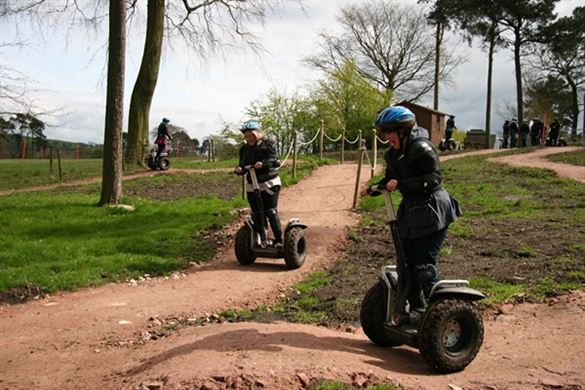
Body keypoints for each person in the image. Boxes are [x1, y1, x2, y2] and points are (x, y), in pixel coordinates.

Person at [360, 106, 462, 313]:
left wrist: (402, 185)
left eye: (388, 131)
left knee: (423, 267)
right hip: (411, 212)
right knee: (405, 266)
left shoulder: (422, 148)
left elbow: (433, 180)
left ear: (403, 130)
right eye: (384, 132)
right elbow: (390, 179)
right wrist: (373, 189)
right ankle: (416, 310)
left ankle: (440, 313)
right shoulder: (393, 154)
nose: (386, 136)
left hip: (433, 210)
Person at [234, 120, 283, 247]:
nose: (249, 138)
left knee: (270, 211)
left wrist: (263, 163)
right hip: (253, 185)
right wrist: (239, 169)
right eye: (247, 136)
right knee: (256, 213)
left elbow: (275, 161)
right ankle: (262, 239)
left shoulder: (268, 145)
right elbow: (242, 165)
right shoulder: (244, 149)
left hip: (269, 183)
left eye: (251, 135)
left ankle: (279, 240)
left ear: (257, 134)